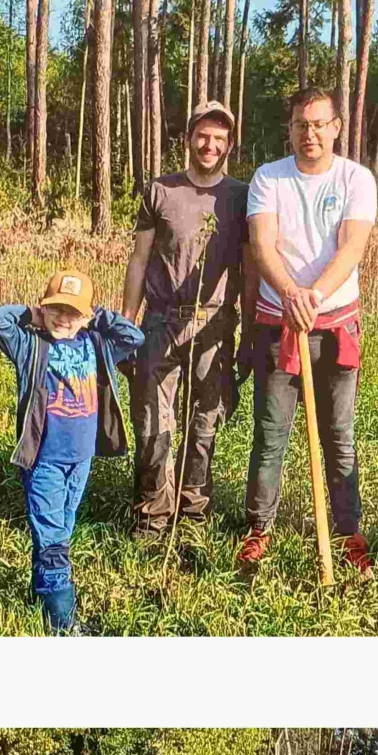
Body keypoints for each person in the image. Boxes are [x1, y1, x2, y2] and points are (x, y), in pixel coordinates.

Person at [240, 86, 378, 575]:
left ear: (337, 127)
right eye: (302, 124)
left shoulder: (356, 179)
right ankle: (258, 531)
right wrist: (292, 297)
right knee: (270, 433)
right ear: (291, 128)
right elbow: (262, 245)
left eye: (320, 124)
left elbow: (351, 249)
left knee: (338, 436)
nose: (310, 133)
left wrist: (313, 296)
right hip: (279, 324)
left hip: (335, 322)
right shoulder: (268, 178)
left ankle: (347, 532)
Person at [0, 270, 144, 630]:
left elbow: (134, 336)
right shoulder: (30, 347)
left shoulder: (97, 343)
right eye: (56, 308)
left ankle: (40, 598)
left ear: (85, 316)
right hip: (44, 462)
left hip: (81, 459)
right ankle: (63, 624)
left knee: (59, 532)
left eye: (73, 312)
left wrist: (95, 314)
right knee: (54, 540)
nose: (64, 318)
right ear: (44, 307)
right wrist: (32, 315)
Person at [121, 102, 255, 540]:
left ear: (230, 145)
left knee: (205, 421)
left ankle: (193, 511)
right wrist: (127, 323)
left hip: (215, 324)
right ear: (188, 140)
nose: (210, 145)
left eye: (219, 138)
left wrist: (250, 327)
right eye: (203, 136)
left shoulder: (241, 196)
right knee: (152, 422)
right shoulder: (159, 190)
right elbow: (139, 260)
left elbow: (252, 266)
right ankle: (153, 513)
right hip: (160, 323)